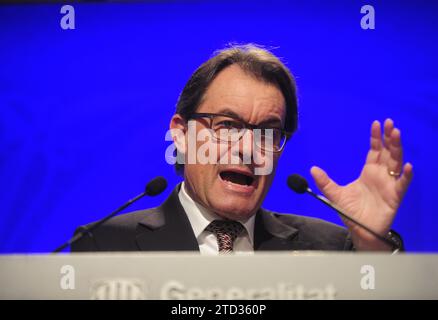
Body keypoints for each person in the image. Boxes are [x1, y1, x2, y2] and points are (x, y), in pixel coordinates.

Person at [71, 44, 413, 254]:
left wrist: (372, 246)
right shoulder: (104, 245)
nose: (250, 148)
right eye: (228, 126)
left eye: (268, 132)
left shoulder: (332, 249)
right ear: (180, 133)